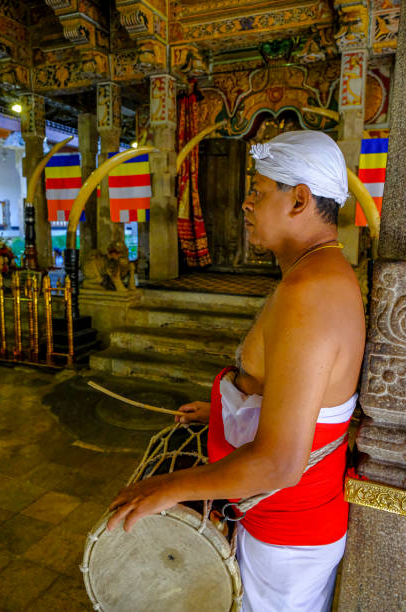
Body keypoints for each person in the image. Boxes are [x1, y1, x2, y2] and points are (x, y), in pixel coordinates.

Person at [107, 130, 366, 611]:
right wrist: (227, 414)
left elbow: (281, 464)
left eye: (258, 191)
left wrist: (168, 486)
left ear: (300, 200)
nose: (246, 204)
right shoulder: (314, 276)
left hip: (286, 537)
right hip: (280, 526)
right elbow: (301, 401)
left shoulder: (310, 292)